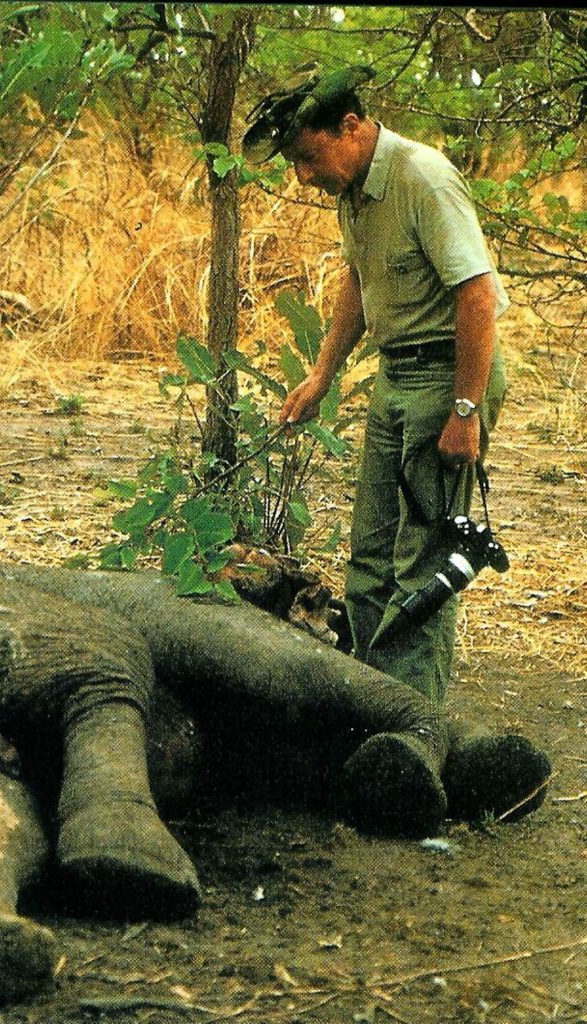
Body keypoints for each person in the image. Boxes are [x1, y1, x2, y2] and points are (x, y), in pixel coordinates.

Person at [243, 68, 509, 703]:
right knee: (367, 560)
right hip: (396, 376)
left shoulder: (423, 177)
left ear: (351, 128)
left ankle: (413, 728)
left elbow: (476, 297)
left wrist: (465, 410)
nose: (302, 176)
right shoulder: (353, 192)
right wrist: (320, 375)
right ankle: (369, 706)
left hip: (448, 375)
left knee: (423, 567)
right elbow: (359, 285)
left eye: (308, 157)